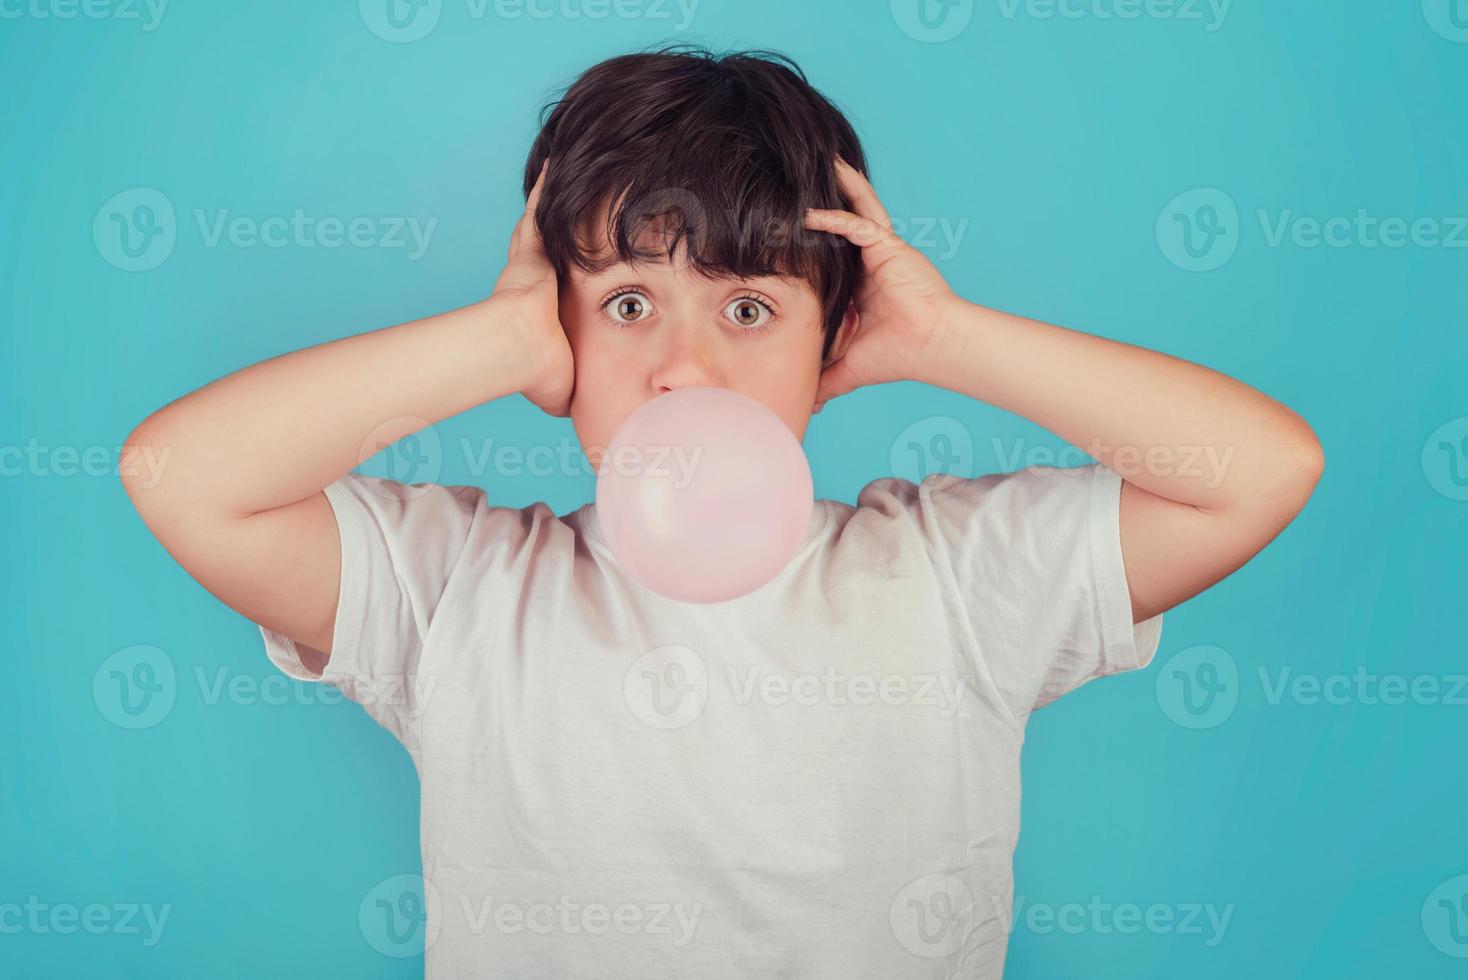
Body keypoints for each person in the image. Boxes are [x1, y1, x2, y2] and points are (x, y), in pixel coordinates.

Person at [120, 43, 1323, 978]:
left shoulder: (957, 574)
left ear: (832, 339)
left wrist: (945, 337)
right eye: (630, 304)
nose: (682, 367)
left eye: (748, 309)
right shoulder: (457, 587)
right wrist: (496, 337)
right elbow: (183, 474)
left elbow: (1259, 467)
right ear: (562, 331)